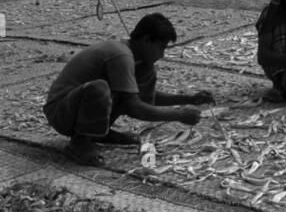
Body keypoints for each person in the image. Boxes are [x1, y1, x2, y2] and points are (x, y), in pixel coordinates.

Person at [43, 13, 212, 166]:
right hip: (61, 112)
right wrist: (179, 115)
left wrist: (189, 99)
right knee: (99, 89)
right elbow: (135, 107)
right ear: (146, 40)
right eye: (161, 47)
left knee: (124, 89)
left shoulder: (138, 62)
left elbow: (143, 99)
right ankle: (80, 142)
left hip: (77, 110)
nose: (162, 55)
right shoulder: (121, 55)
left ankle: (99, 133)